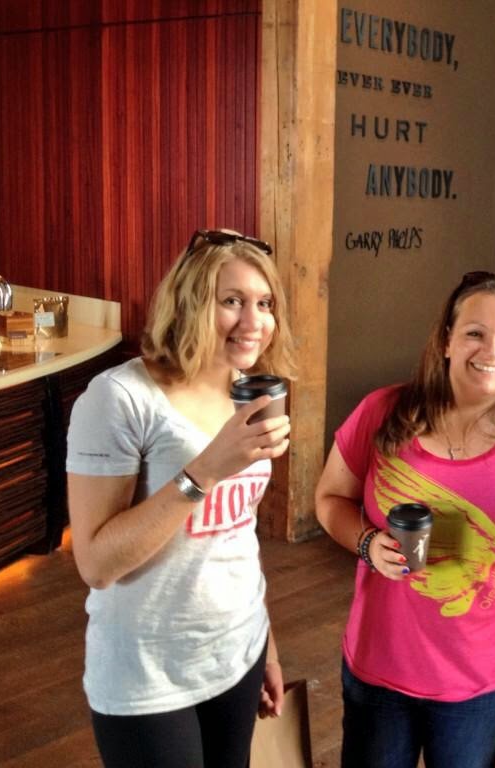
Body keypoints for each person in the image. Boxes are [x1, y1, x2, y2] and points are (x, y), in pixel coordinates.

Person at [315, 271, 495, 768]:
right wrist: (367, 543)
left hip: (485, 675)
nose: (491, 351)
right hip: (380, 662)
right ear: (446, 341)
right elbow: (330, 499)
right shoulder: (383, 412)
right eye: (475, 333)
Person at [66, 229, 297, 768]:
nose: (253, 321)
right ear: (190, 303)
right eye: (232, 301)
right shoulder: (121, 398)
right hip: (147, 674)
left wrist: (265, 645)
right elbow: (96, 564)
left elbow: (237, 535)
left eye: (265, 304)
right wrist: (205, 471)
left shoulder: (249, 390)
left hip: (237, 651)